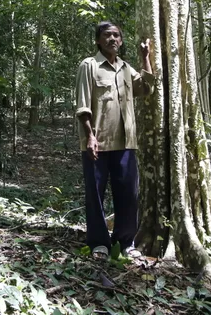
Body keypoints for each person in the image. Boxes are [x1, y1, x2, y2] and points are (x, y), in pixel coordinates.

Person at [75, 21, 154, 259]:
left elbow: (146, 88)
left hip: (126, 142)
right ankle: (99, 242)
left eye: (117, 35)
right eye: (107, 35)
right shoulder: (89, 65)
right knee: (95, 193)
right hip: (97, 142)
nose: (113, 39)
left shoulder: (126, 68)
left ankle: (124, 242)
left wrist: (145, 57)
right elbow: (82, 104)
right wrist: (89, 136)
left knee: (129, 193)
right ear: (98, 40)